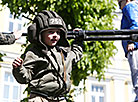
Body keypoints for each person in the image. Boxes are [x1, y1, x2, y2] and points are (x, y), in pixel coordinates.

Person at [12, 10, 84, 102]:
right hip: (40, 98)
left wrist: (78, 41)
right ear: (40, 34)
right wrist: (19, 68)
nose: (55, 36)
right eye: (51, 32)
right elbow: (24, 78)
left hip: (60, 98)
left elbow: (76, 54)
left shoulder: (63, 52)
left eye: (58, 32)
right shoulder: (34, 53)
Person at [118, 0, 138, 101]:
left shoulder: (129, 6)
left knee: (136, 73)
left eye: (119, 3)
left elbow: (135, 23)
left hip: (135, 48)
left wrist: (132, 41)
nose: (119, 7)